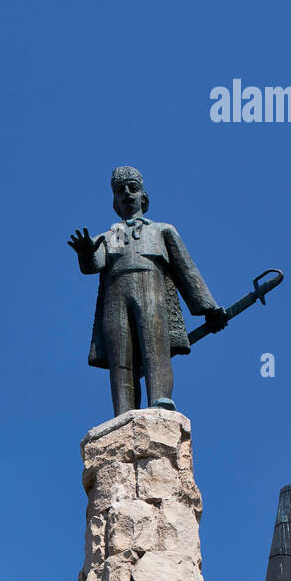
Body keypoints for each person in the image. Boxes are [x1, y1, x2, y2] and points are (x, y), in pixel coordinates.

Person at [69, 166, 227, 415]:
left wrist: (209, 308)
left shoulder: (161, 230)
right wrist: (86, 251)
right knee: (121, 358)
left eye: (133, 187)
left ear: (144, 197)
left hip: (151, 290)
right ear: (115, 203)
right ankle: (123, 411)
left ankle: (160, 399)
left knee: (155, 347)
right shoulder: (113, 236)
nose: (127, 193)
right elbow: (94, 265)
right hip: (115, 294)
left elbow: (186, 271)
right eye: (120, 190)